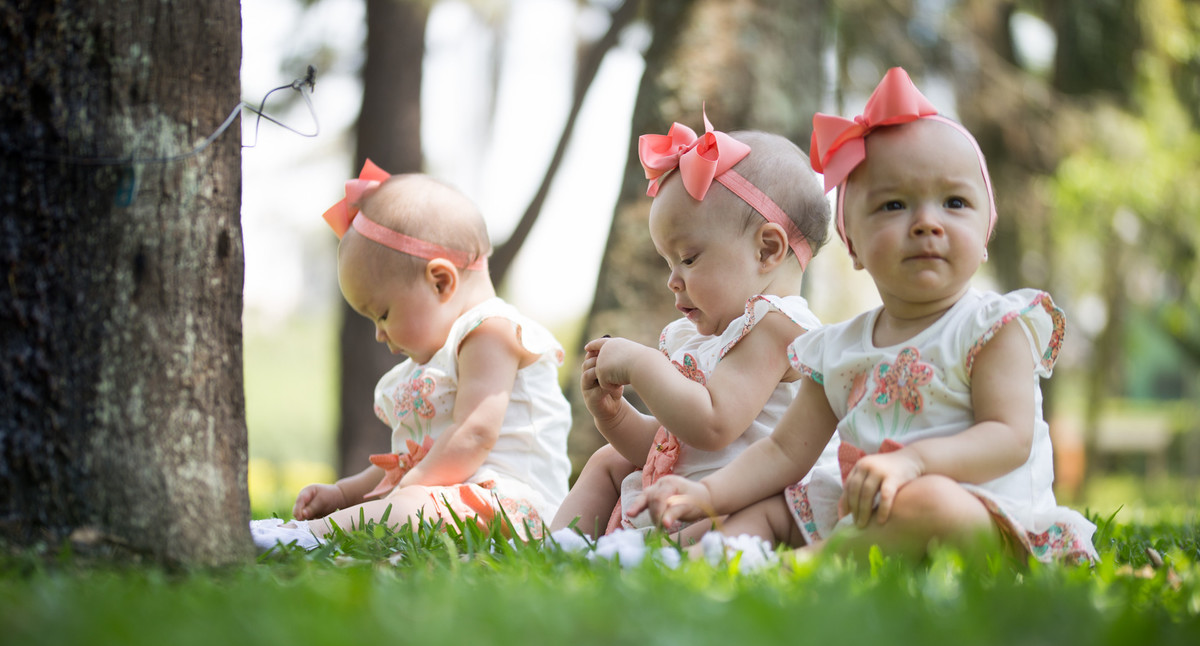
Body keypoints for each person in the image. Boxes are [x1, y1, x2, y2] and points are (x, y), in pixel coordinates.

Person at [633, 68, 1097, 565]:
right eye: (894, 205)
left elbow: (1009, 437)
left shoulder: (992, 326)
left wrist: (915, 464)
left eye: (955, 202)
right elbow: (783, 453)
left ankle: (806, 567)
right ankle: (705, 556)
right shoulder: (838, 348)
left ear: (986, 230)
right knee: (776, 503)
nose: (926, 223)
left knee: (929, 501)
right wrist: (709, 495)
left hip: (983, 519)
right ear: (852, 244)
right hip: (872, 512)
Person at [550, 110, 838, 543]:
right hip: (689, 488)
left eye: (688, 258)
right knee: (609, 461)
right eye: (667, 262)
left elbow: (713, 425)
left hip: (740, 496)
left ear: (767, 251)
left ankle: (640, 556)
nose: (673, 279)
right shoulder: (702, 339)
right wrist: (614, 416)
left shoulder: (778, 325)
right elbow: (672, 448)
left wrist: (643, 365)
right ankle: (554, 549)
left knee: (746, 514)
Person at [252, 162, 571, 550]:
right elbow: (406, 458)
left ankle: (308, 537)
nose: (378, 333)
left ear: (441, 281)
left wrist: (408, 489)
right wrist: (344, 492)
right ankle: (321, 526)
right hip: (453, 501)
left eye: (382, 313)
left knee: (408, 506)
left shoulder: (490, 330)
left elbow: (474, 433)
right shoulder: (443, 356)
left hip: (512, 508)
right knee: (409, 504)